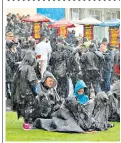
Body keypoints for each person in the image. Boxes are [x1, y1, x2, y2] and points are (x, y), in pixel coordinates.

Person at [12, 51, 38, 130]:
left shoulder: (20, 67)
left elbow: (15, 80)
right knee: (29, 107)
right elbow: (32, 81)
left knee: (23, 107)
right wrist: (36, 91)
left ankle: (26, 123)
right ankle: (27, 123)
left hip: (20, 91)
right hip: (28, 92)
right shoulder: (29, 68)